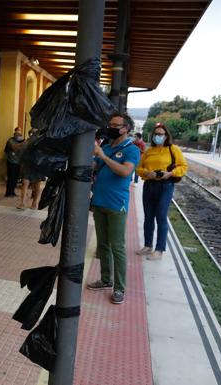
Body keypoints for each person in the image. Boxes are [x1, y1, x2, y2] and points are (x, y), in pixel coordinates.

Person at [87, 112, 141, 305]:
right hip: (99, 202)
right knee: (102, 245)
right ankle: (105, 279)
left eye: (115, 125)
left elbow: (125, 171)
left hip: (117, 204)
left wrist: (103, 156)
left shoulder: (132, 150)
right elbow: (94, 166)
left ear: (125, 128)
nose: (110, 127)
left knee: (117, 247)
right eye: (109, 124)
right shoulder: (107, 146)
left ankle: (119, 288)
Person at [136, 123, 188, 260]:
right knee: (148, 217)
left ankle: (159, 249)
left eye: (161, 134)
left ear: (166, 136)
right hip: (149, 185)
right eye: (156, 134)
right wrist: (147, 173)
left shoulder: (173, 149)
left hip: (165, 186)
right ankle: (148, 246)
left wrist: (170, 173)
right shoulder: (149, 151)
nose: (158, 136)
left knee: (161, 216)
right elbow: (138, 168)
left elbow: (183, 166)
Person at [17, 129, 46, 210]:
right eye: (31, 133)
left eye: (35, 133)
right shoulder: (27, 142)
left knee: (36, 186)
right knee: (24, 183)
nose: (33, 134)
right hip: (27, 165)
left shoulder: (42, 142)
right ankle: (22, 203)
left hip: (38, 167)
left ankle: (35, 203)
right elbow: (19, 151)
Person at [4, 127, 24, 197]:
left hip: (18, 162)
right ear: (14, 134)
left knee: (15, 179)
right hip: (11, 162)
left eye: (20, 134)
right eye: (17, 134)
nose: (19, 135)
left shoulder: (21, 141)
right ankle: (8, 193)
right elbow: (15, 147)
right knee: (11, 178)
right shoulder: (10, 141)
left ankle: (12, 192)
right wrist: (23, 143)